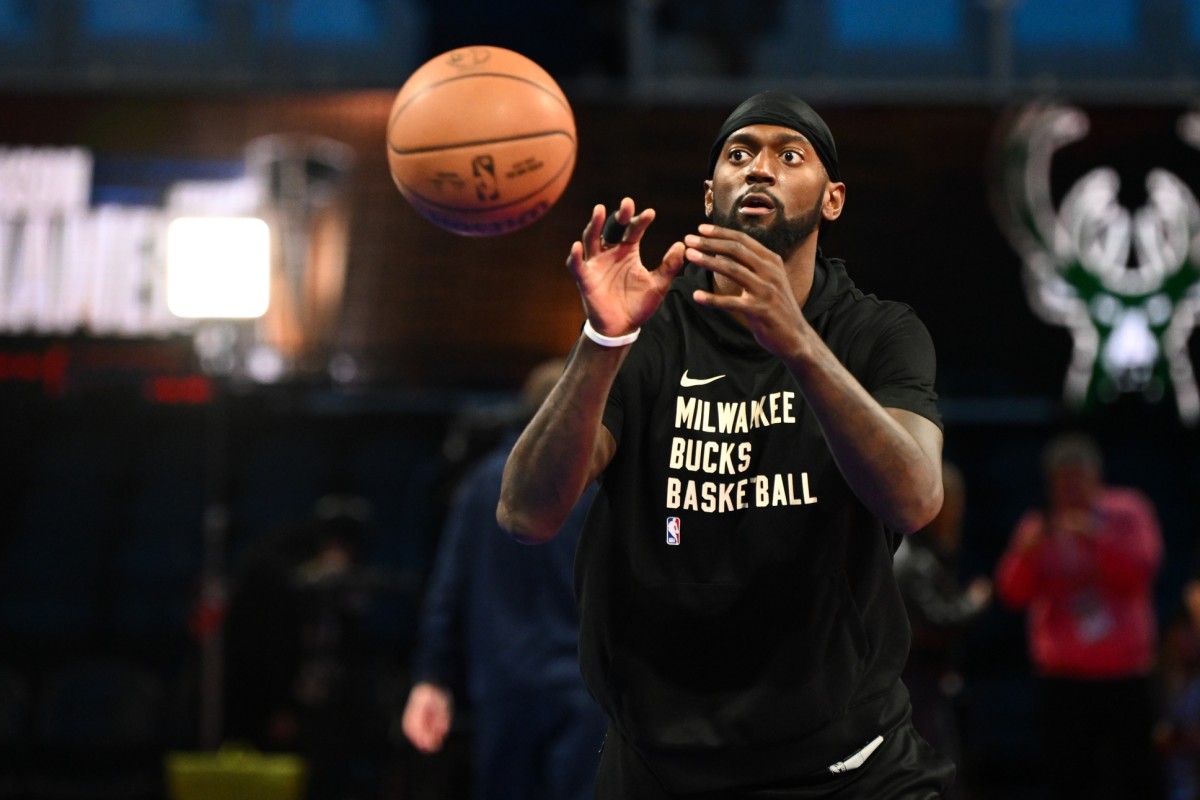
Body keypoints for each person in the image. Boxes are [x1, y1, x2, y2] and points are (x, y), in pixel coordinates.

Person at [497, 91, 954, 798]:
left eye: (788, 155)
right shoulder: (649, 331)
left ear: (831, 200)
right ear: (711, 194)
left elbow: (917, 499)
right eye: (739, 155)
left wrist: (797, 344)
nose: (760, 169)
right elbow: (527, 513)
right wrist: (603, 339)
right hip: (661, 760)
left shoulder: (880, 333)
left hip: (843, 766)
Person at [400, 359, 607, 800]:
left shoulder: (479, 484)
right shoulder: (601, 485)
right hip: (584, 692)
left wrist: (431, 677)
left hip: (504, 687)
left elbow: (447, 589)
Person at [995, 432, 1165, 800]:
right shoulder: (1040, 524)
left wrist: (1096, 537)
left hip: (1125, 677)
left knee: (1138, 776)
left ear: (1095, 476)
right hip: (1064, 681)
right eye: (1062, 482)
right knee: (1070, 779)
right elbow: (1012, 592)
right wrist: (1028, 552)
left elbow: (1144, 566)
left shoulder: (1127, 510)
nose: (1070, 490)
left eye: (1078, 480)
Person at [892, 462, 992, 800]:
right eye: (953, 504)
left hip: (924, 682)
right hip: (915, 684)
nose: (957, 514)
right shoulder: (912, 556)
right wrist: (974, 602)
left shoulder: (924, 552)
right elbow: (932, 621)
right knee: (932, 774)